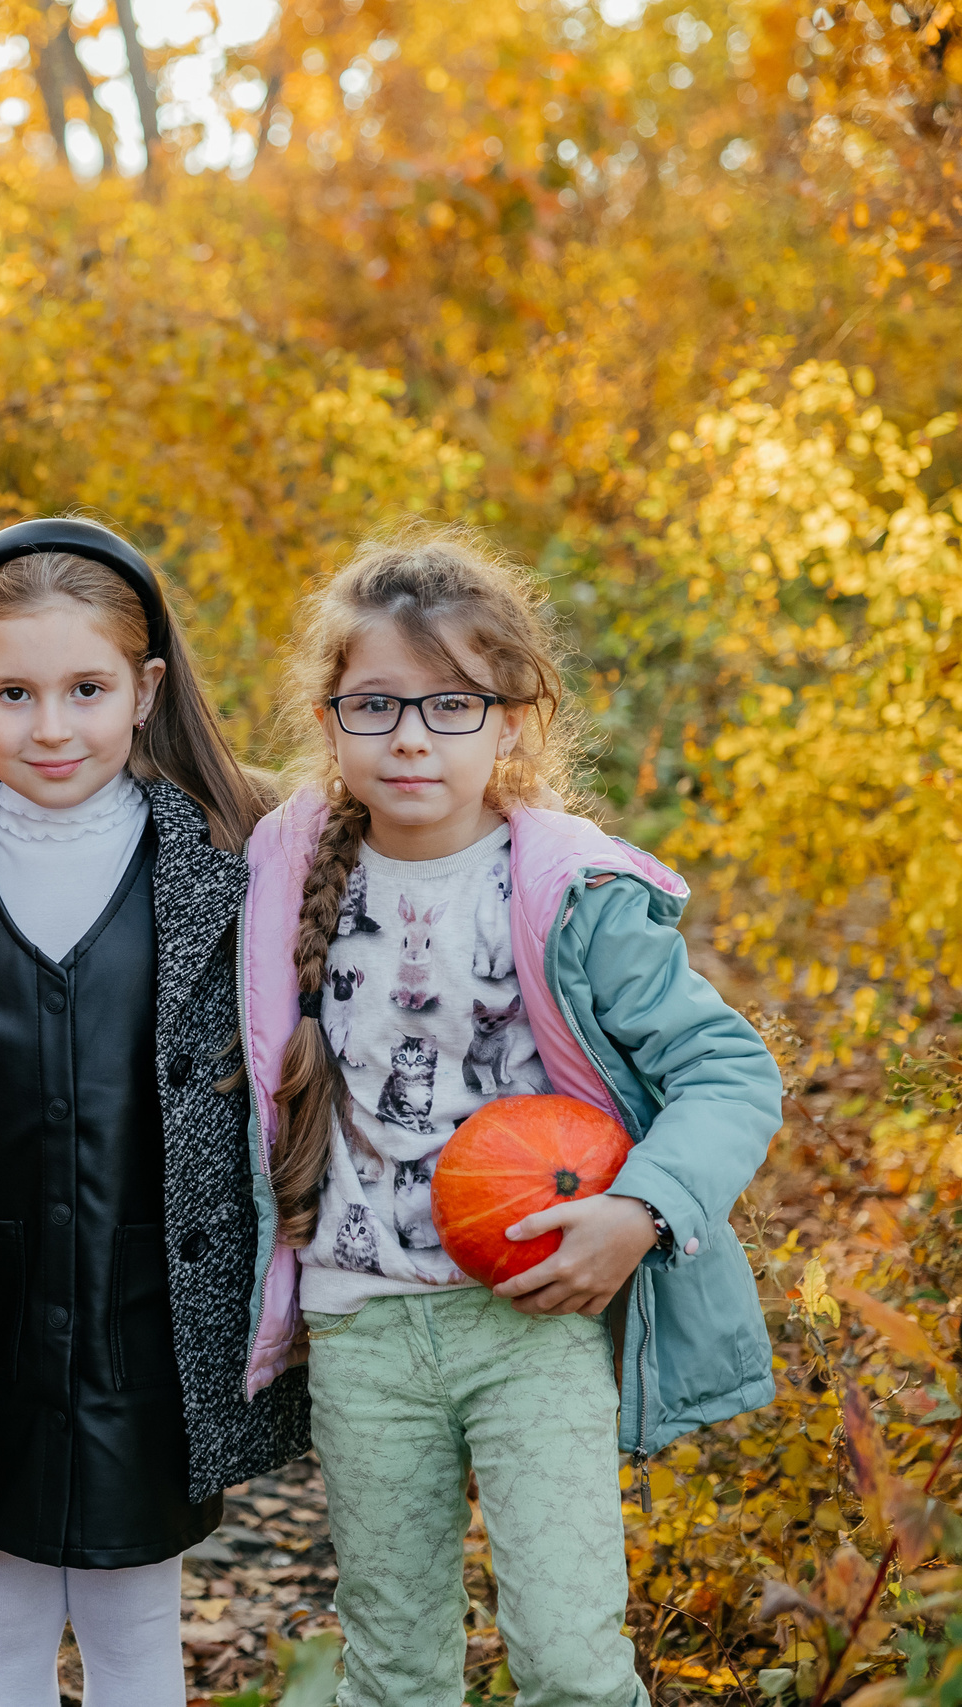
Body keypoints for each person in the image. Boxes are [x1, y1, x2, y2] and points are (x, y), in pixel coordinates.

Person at [240, 527, 779, 1707]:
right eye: (375, 705)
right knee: (391, 1667)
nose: (411, 737)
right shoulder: (282, 870)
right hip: (361, 1328)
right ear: (328, 721)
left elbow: (728, 1071)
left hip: (530, 1324)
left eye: (451, 705)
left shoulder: (572, 895)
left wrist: (638, 1212)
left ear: (516, 721)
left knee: (572, 1662)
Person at [0, 517, 310, 1706]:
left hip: (148, 1313)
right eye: (13, 692)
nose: (50, 727)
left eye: (86, 689)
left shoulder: (235, 862)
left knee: (131, 1618)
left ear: (146, 688)